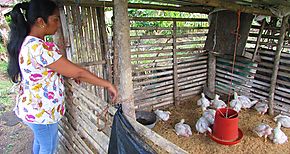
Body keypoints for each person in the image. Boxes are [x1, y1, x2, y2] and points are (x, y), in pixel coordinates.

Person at [6, 0, 118, 153]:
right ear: (40, 22)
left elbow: (58, 68)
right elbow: (78, 72)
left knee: (40, 143)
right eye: (55, 19)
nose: (58, 24)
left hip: (32, 108)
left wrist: (67, 72)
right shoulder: (39, 48)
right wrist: (107, 84)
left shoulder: (28, 43)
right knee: (48, 147)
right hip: (41, 112)